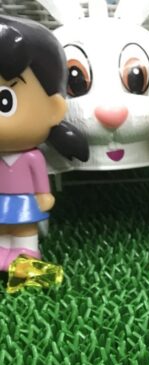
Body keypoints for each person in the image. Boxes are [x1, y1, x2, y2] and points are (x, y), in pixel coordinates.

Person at [0, 15, 89, 270]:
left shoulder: (32, 156)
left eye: (5, 102)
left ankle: (26, 251)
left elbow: (39, 180)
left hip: (24, 203)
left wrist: (43, 195)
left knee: (24, 227)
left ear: (54, 108)